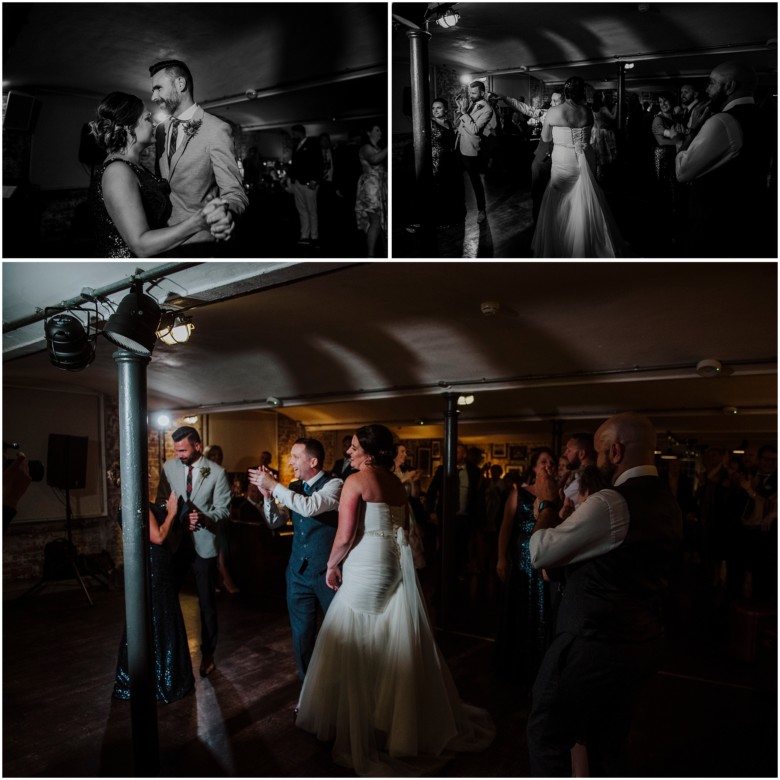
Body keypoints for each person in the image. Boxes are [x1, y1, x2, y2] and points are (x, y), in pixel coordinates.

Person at [295, 425, 494, 775]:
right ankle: (385, 719)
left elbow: (343, 536)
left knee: (354, 636)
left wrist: (331, 565)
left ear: (369, 453)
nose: (349, 453)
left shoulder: (356, 482)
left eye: (354, 448)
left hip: (365, 561)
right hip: (390, 563)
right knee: (384, 635)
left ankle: (360, 723)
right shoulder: (396, 484)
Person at [526, 412, 683, 776]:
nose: (594, 462)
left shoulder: (612, 502)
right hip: (642, 641)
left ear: (614, 451)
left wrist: (548, 505)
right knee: (607, 739)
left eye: (597, 454)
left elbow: (539, 552)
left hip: (594, 642)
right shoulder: (668, 501)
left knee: (547, 733)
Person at [88, 92, 229, 257]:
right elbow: (140, 245)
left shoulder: (134, 167)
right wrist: (198, 222)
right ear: (128, 127)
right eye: (147, 118)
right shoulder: (117, 172)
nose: (154, 123)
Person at [247, 438, 343, 680]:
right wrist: (268, 496)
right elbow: (275, 522)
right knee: (301, 635)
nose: (290, 462)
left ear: (313, 461)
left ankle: (337, 689)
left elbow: (310, 507)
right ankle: (307, 689)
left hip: (328, 574)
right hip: (297, 573)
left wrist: (276, 485)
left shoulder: (335, 485)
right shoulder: (293, 486)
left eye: (295, 457)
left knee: (339, 634)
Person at [674, 60, 772, 257]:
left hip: (713, 224)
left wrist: (690, 134)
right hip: (748, 219)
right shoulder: (764, 117)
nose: (707, 88)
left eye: (712, 83)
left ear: (730, 86)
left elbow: (682, 172)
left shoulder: (722, 121)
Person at [156, 426, 231, 678]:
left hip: (204, 545)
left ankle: (208, 655)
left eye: (184, 450)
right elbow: (161, 503)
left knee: (206, 603)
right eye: (176, 450)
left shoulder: (217, 473)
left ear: (198, 446)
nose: (179, 455)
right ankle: (168, 650)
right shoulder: (169, 468)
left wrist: (204, 517)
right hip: (176, 543)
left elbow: (224, 511)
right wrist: (178, 518)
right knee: (167, 596)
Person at [149, 60, 248, 252]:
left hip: (200, 241)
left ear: (180, 84)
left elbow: (235, 193)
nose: (153, 96)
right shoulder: (160, 131)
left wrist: (228, 213)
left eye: (158, 88)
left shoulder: (216, 129)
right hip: (162, 239)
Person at [113, 492, 195, 703]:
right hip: (154, 569)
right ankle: (164, 680)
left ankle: (147, 676)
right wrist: (172, 513)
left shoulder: (127, 500)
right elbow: (157, 536)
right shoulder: (135, 500)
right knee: (160, 617)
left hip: (154, 567)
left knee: (154, 617)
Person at [531, 76, 624, 258]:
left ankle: (562, 245)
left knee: (560, 197)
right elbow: (588, 137)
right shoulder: (587, 112)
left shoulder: (554, 112)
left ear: (565, 92)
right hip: (584, 157)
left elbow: (547, 139)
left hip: (563, 159)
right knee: (581, 199)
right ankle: (582, 245)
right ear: (581, 92)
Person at [494, 448, 555, 687]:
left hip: (546, 559)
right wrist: (501, 557)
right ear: (533, 467)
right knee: (520, 607)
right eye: (543, 462)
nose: (548, 465)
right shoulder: (518, 493)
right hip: (521, 558)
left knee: (543, 610)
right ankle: (516, 663)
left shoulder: (557, 494)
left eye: (551, 461)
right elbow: (506, 527)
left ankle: (540, 664)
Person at [455, 81, 495, 224]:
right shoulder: (471, 103)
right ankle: (459, 208)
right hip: (458, 146)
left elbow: (475, 130)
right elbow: (458, 124)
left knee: (475, 182)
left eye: (473, 93)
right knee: (456, 180)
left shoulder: (487, 109)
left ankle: (481, 210)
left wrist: (465, 113)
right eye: (469, 93)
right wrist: (460, 109)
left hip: (471, 150)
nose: (470, 96)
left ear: (482, 93)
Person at [204, 444, 240, 595]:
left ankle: (220, 580)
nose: (216, 458)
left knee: (222, 547)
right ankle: (224, 578)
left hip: (223, 515)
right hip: (210, 514)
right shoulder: (205, 471)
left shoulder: (222, 472)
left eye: (219, 455)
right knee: (217, 549)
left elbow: (226, 496)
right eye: (213, 455)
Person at [355, 124, 388, 257]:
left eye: (380, 130)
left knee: (381, 221)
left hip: (380, 185)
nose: (380, 132)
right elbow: (374, 160)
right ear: (369, 133)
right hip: (371, 187)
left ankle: (384, 252)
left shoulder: (377, 148)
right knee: (375, 221)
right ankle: (371, 255)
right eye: (377, 130)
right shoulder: (365, 148)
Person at [430, 98, 462, 226]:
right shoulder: (429, 123)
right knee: (437, 190)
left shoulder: (449, 123)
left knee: (448, 189)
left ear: (446, 110)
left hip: (449, 160)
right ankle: (437, 220)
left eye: (438, 107)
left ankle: (448, 218)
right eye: (433, 108)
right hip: (435, 160)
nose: (435, 110)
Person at [289, 124, 322, 246]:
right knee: (301, 210)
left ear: (299, 132)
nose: (292, 136)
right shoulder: (295, 146)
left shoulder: (312, 144)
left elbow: (319, 162)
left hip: (309, 183)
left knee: (312, 210)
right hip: (298, 182)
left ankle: (314, 236)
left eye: (293, 133)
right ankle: (304, 234)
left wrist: (315, 180)